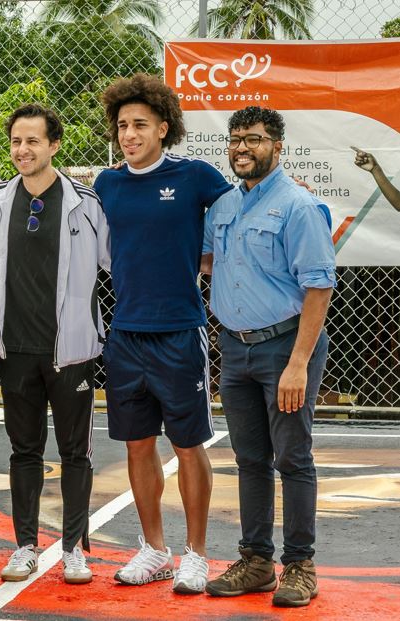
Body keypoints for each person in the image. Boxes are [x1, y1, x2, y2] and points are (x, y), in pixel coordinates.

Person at [92, 74, 233, 593]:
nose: (129, 134)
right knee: (135, 445)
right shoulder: (107, 185)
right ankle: (155, 549)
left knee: (190, 444)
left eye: (139, 126)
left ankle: (197, 554)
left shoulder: (195, 176)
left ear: (163, 128)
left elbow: (245, 206)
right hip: (125, 334)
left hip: (180, 331)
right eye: (122, 126)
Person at [202, 107, 335, 608]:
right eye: (236, 139)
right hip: (235, 348)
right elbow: (210, 261)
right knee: (249, 459)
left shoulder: (299, 206)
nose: (242, 148)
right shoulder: (223, 207)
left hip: (286, 347)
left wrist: (298, 363)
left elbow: (319, 288)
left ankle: (300, 565)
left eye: (254, 139)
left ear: (277, 147)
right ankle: (256, 561)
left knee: (292, 458)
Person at [0, 103, 105, 585]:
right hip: (15, 348)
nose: (22, 149)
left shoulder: (85, 202)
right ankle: (26, 546)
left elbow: (117, 261)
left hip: (70, 349)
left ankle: (74, 548)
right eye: (16, 140)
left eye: (33, 141)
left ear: (54, 145)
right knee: (23, 450)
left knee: (76, 451)